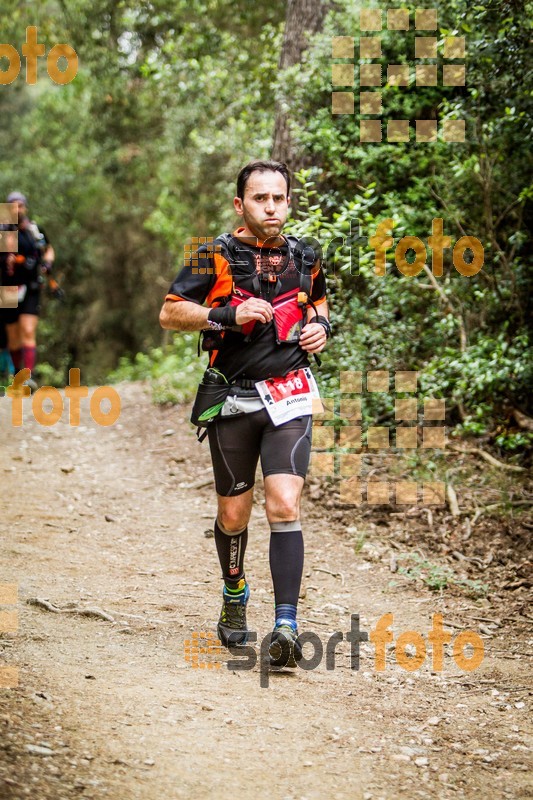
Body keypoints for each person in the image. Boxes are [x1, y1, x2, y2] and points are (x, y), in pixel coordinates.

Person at [160, 159, 330, 668]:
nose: (271, 207)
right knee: (233, 515)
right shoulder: (213, 254)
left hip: (291, 395)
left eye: (279, 198)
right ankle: (235, 593)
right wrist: (225, 315)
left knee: (283, 503)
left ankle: (286, 624)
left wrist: (322, 327)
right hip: (232, 397)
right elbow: (170, 312)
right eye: (261, 199)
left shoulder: (306, 254)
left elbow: (319, 303)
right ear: (241, 204)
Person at [0, 191, 58, 390]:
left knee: (28, 329)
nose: (17, 209)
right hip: (7, 289)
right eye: (13, 205)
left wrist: (47, 264)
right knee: (13, 336)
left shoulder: (33, 230)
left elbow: (49, 249)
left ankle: (28, 377)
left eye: (21, 205)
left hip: (31, 286)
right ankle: (17, 375)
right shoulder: (3, 230)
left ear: (25, 207)